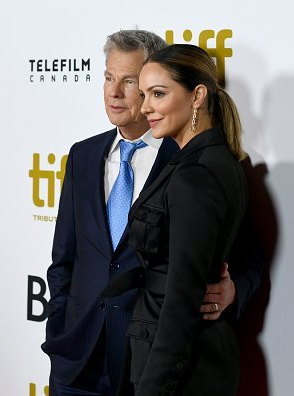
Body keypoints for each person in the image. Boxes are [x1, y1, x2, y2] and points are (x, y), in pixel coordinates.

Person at [41, 31, 254, 396]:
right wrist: (60, 326)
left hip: (146, 359)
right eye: (109, 78)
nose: (116, 92)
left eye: (130, 82)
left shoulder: (191, 162)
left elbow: (244, 250)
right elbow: (65, 258)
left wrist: (233, 291)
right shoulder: (83, 155)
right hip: (77, 359)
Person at [116, 44, 249, 396]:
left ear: (197, 96)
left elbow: (181, 301)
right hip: (184, 359)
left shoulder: (196, 174)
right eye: (144, 95)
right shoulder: (214, 160)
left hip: (181, 370)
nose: (145, 107)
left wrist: (153, 390)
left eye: (158, 94)